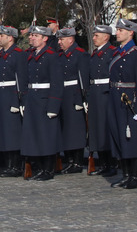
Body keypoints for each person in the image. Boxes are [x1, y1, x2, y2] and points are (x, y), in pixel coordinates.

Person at [107, 19, 137, 189]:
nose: (117, 33)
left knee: (133, 139)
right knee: (120, 137)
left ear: (130, 32)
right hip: (115, 99)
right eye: (117, 30)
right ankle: (125, 175)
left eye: (120, 30)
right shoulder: (116, 53)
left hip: (130, 100)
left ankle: (134, 177)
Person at [21, 25, 62, 180]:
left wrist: (53, 105)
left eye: (36, 36)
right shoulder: (30, 55)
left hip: (45, 99)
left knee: (46, 135)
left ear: (45, 38)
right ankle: (38, 167)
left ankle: (48, 169)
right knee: (34, 135)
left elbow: (57, 82)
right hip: (33, 98)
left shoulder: (51, 56)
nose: (32, 38)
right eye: (31, 35)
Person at [0, 25, 26, 177]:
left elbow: (22, 79)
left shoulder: (18, 54)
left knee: (13, 132)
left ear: (10, 37)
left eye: (2, 35)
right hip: (0, 96)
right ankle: (7, 163)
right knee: (3, 132)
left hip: (12, 96)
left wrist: (20, 100)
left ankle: (16, 165)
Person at [56, 27, 89, 174]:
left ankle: (77, 161)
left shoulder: (80, 55)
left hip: (74, 95)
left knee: (75, 130)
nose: (59, 42)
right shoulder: (61, 55)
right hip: (63, 95)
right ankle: (69, 160)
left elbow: (83, 79)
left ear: (71, 39)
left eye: (62, 39)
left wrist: (81, 99)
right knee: (65, 129)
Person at [86, 25, 117, 177]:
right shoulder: (95, 54)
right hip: (95, 93)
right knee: (97, 129)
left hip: (106, 92)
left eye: (97, 35)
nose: (93, 38)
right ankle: (103, 162)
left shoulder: (111, 52)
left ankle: (112, 163)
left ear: (106, 36)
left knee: (106, 128)